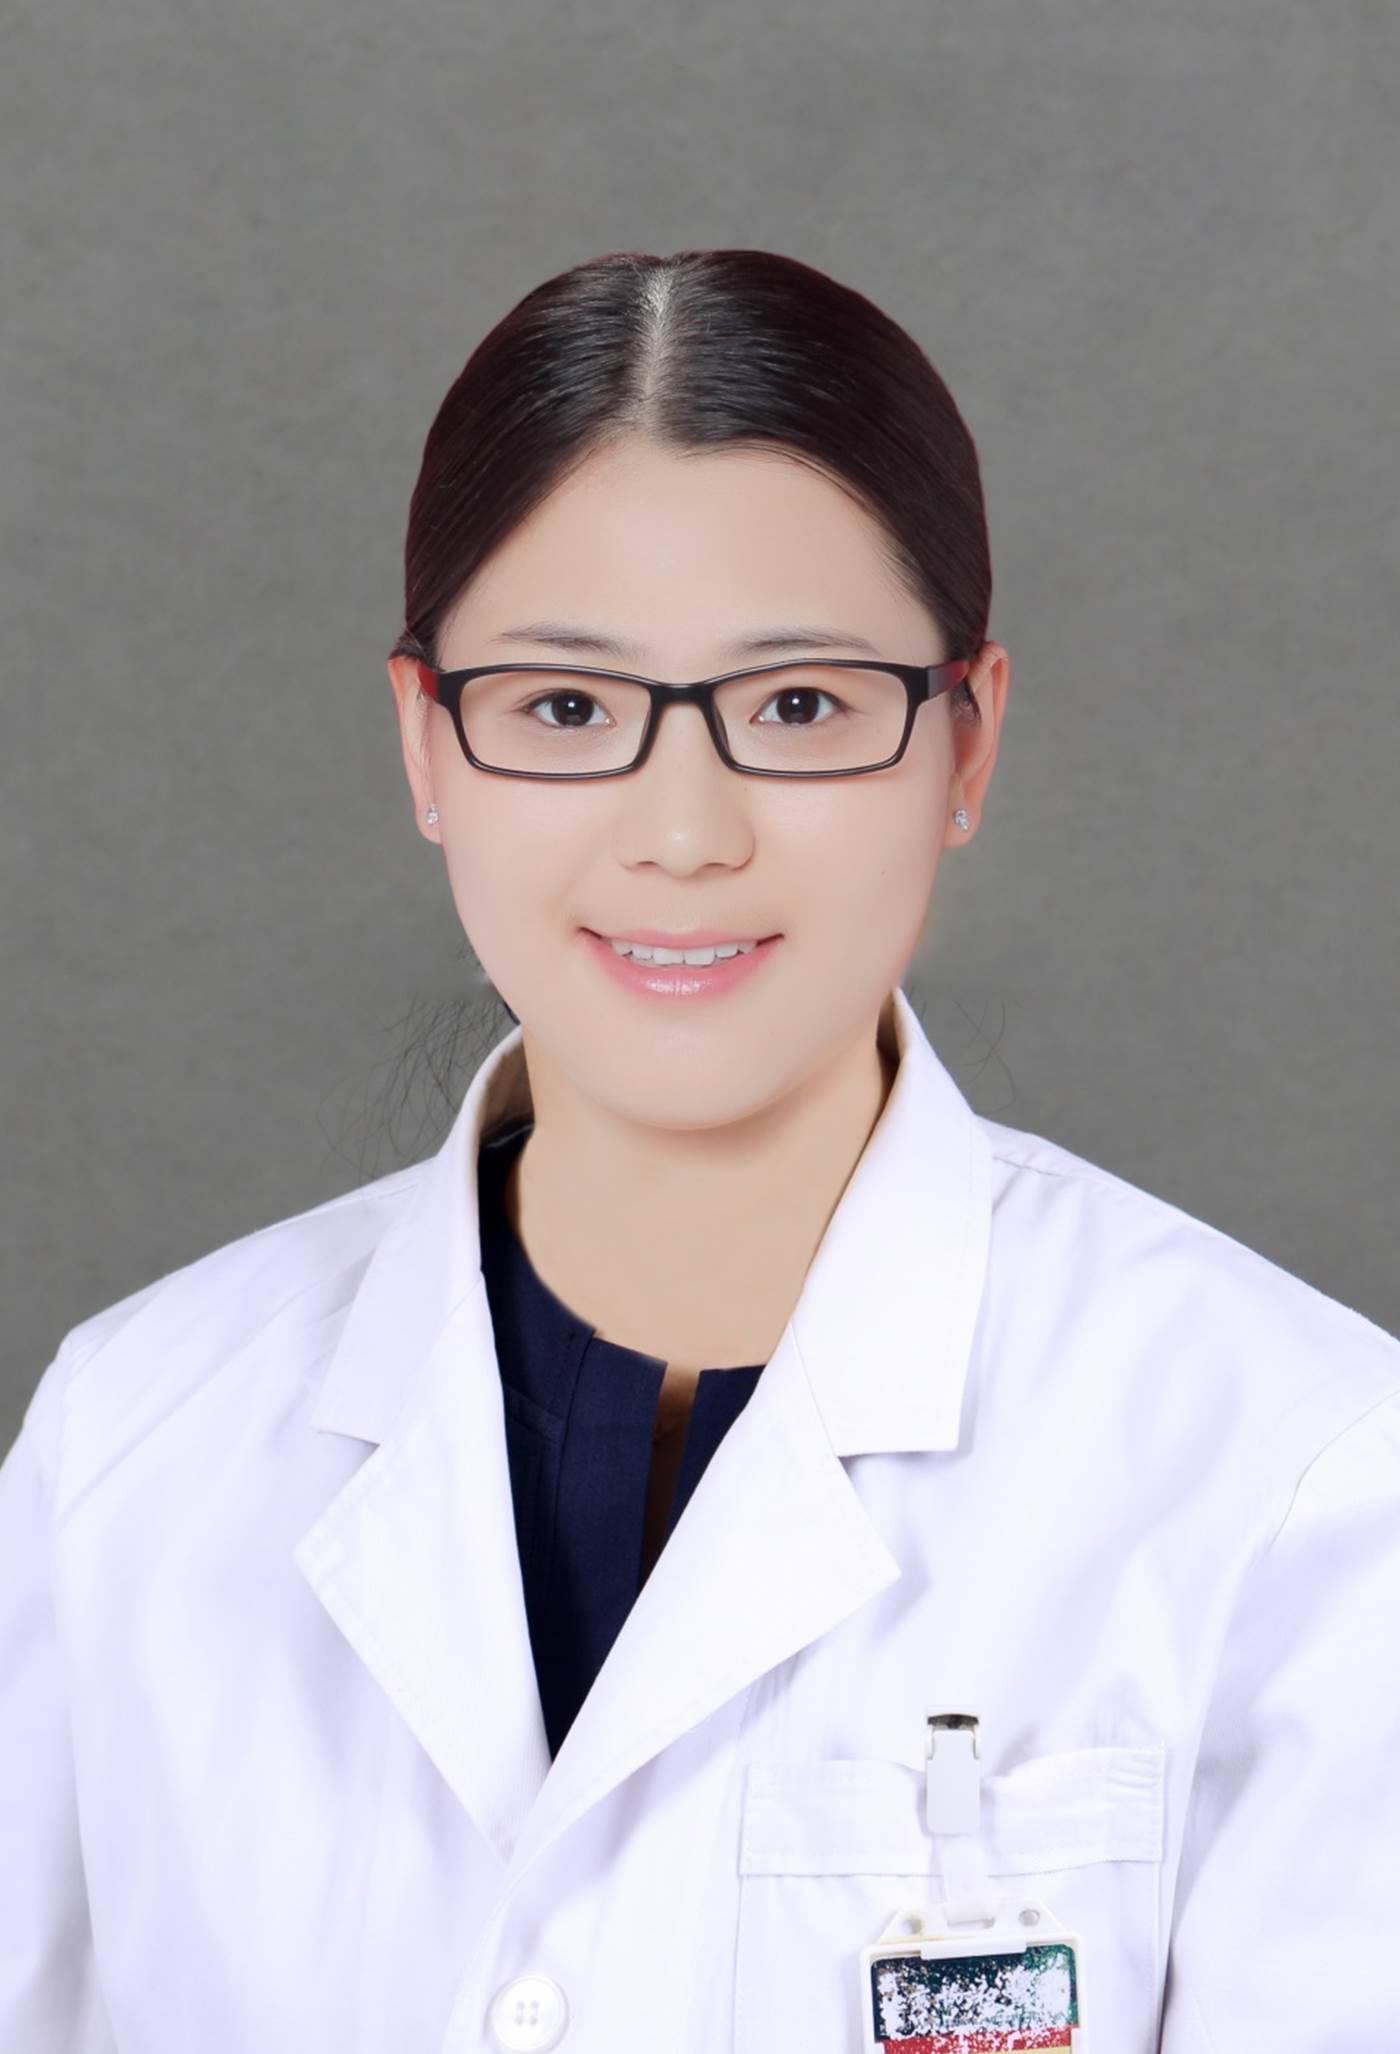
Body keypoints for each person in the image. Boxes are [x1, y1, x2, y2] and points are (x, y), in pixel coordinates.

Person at [2, 247, 1397, 2054]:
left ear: (967, 743)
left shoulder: (1300, 1474)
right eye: (565, 708)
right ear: (426, 744)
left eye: (800, 706)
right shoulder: (129, 1449)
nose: (681, 832)